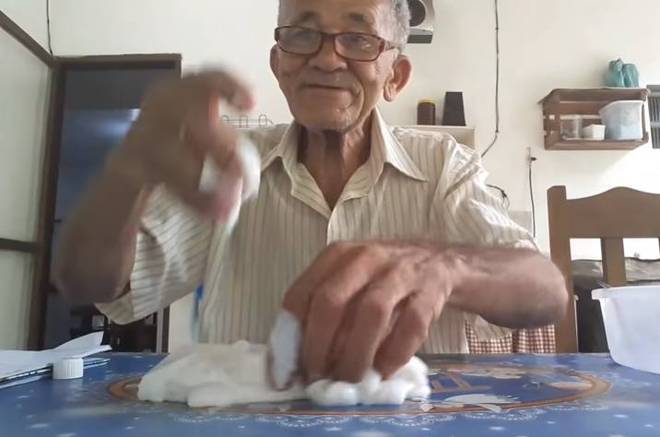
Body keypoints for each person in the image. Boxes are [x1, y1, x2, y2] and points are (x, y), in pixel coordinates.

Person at [53, 0, 568, 384]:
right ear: (279, 64)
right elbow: (88, 281)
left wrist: (441, 267)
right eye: (303, 34)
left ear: (395, 76)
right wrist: (126, 174)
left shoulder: (442, 164)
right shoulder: (230, 166)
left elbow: (545, 289)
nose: (326, 58)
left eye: (359, 38)